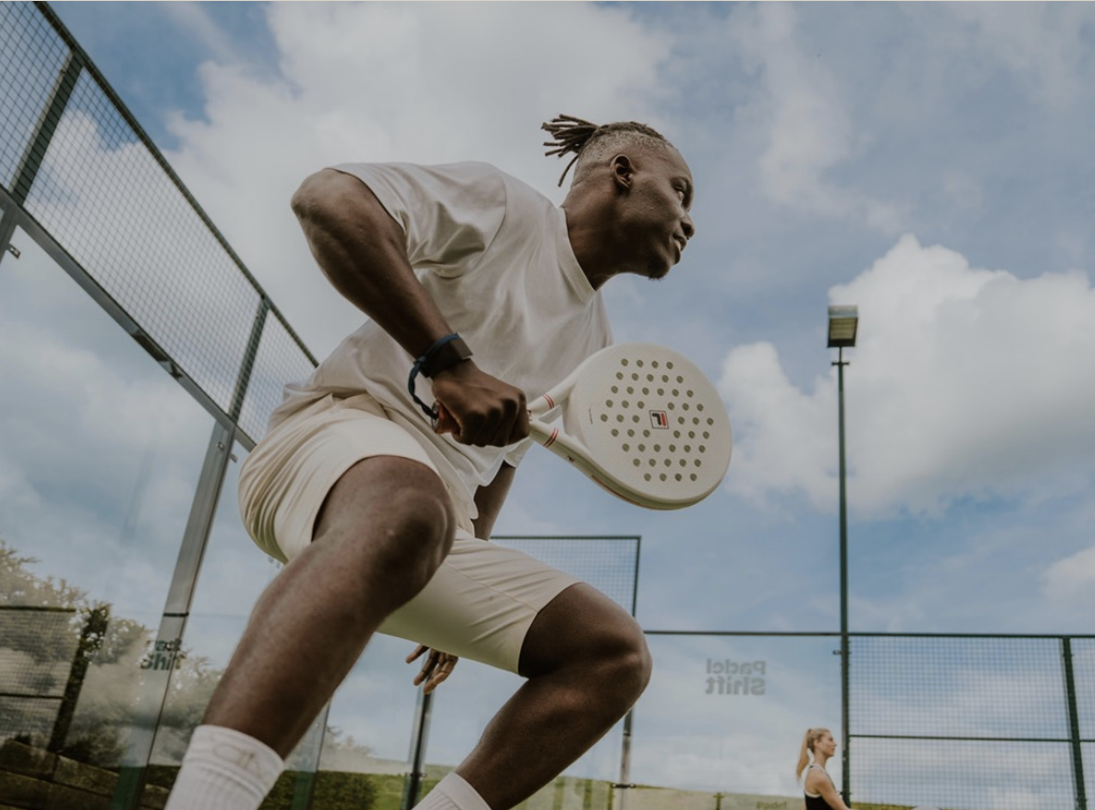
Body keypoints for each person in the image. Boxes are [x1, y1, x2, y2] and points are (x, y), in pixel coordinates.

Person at [162, 113, 696, 810]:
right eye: (680, 192)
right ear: (623, 172)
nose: (688, 220)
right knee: (411, 510)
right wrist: (447, 361)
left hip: (429, 526)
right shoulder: (507, 207)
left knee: (612, 654)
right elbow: (328, 199)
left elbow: (503, 459)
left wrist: (465, 561)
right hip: (327, 444)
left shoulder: (595, 341)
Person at [797, 727, 852, 810]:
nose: (835, 744)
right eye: (830, 740)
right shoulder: (817, 776)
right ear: (817, 743)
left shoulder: (817, 772)